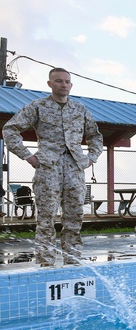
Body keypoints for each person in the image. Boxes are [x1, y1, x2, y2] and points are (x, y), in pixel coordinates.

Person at [3, 68, 104, 266]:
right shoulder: (38, 106)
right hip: (48, 168)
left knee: (74, 217)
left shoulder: (80, 109)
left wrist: (91, 158)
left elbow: (95, 136)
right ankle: (46, 264)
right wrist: (28, 156)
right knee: (46, 218)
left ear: (71, 85)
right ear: (50, 84)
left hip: (75, 169)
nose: (63, 85)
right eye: (58, 81)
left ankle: (73, 261)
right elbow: (10, 129)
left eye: (67, 81)